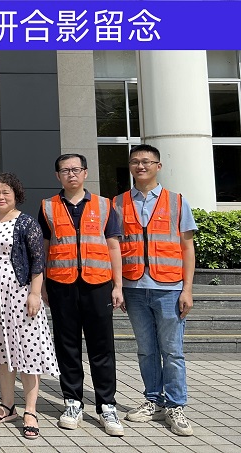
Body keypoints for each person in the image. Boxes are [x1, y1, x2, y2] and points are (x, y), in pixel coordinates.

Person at [38, 153, 125, 437]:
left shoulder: (104, 205)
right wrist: (42, 285)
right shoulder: (48, 206)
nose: (71, 174)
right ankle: (72, 401)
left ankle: (106, 405)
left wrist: (118, 285)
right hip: (61, 284)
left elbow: (113, 246)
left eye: (76, 169)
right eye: (65, 170)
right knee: (67, 346)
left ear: (86, 173)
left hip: (97, 284)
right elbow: (44, 248)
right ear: (57, 176)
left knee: (102, 346)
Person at [115, 144, 197, 437]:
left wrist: (187, 289)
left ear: (158, 166)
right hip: (134, 288)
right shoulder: (118, 202)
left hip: (170, 288)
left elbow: (187, 248)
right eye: (135, 161)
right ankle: (154, 400)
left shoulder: (177, 201)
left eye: (147, 161)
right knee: (146, 350)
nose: (141, 166)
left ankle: (176, 405)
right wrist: (118, 286)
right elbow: (114, 248)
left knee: (172, 351)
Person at [0, 173, 59, 440]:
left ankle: (30, 410)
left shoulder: (26, 222)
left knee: (27, 351)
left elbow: (37, 261)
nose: (0, 197)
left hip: (20, 293)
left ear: (16, 195)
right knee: (2, 351)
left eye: (6, 192)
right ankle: (8, 405)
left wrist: (35, 293)